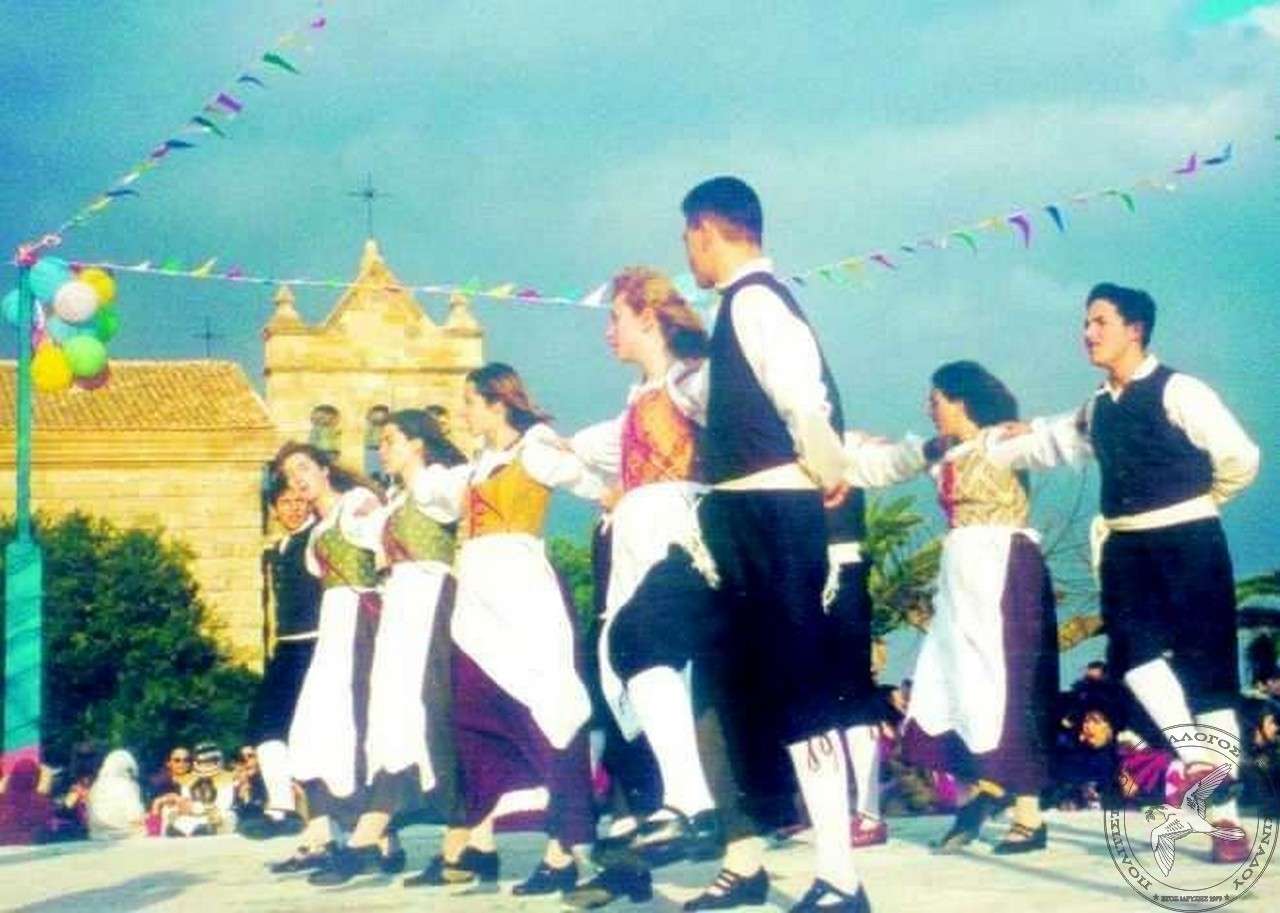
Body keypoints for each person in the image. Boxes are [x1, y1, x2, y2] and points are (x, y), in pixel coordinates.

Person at [999, 282, 1261, 864]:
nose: (1088, 333)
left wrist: (1198, 505)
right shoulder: (1096, 407)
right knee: (1132, 655)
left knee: (1209, 674)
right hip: (1123, 546)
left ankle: (1226, 824)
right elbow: (1054, 440)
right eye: (1085, 322)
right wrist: (1010, 435)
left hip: (1190, 540)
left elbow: (1241, 458)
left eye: (1100, 322)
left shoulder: (1181, 390)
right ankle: (1200, 762)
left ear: (1135, 329)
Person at [677, 175, 869, 913]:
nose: (688, 254)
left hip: (774, 513)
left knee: (799, 689)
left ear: (705, 231)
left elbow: (801, 392)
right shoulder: (733, 308)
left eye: (688, 239)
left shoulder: (756, 301)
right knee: (741, 687)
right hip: (743, 514)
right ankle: (749, 855)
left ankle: (841, 878)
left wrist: (827, 465)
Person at [410, 363, 602, 897]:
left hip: (521, 591)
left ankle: (562, 851)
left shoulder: (532, 452)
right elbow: (434, 496)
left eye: (470, 402)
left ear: (497, 404)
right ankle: (484, 832)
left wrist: (610, 490)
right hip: (477, 602)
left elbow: (589, 479)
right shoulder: (477, 465)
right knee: (472, 712)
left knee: (547, 709)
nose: (464, 411)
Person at [564, 267, 719, 907]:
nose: (608, 331)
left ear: (648, 319)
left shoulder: (691, 381)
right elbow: (587, 449)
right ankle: (680, 802)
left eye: (616, 318)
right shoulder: (639, 399)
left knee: (643, 648)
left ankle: (693, 801)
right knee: (624, 658)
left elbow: (746, 410)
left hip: (677, 530)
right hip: (636, 536)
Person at [310, 409, 467, 886]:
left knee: (426, 716)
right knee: (395, 720)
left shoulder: (435, 484)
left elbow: (464, 491)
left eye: (391, 440)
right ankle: (458, 848)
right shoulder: (395, 500)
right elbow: (360, 531)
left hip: (431, 602)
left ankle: (371, 840)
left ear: (418, 443)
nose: (383, 449)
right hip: (400, 608)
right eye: (380, 442)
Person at [267, 443, 384, 874]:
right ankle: (323, 836)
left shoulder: (357, 503)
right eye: (287, 474)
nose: (296, 478)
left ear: (324, 468)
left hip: (362, 617)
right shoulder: (316, 532)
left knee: (360, 723)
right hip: (332, 625)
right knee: (311, 731)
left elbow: (383, 546)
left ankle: (379, 839)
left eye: (302, 467)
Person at [241, 476, 322, 840]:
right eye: (286, 502)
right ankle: (282, 805)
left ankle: (297, 811)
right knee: (265, 726)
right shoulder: (279, 548)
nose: (294, 509)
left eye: (299, 501)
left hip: (314, 643)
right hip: (287, 647)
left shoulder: (317, 539)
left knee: (307, 730)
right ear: (274, 508)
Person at [87, 749, 146, 840]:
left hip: (98, 835)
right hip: (128, 835)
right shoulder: (127, 786)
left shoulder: (96, 786)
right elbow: (135, 817)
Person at [0, 758, 54, 846]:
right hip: (30, 847)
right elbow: (48, 826)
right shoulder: (39, 801)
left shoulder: (3, 799)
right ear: (36, 778)